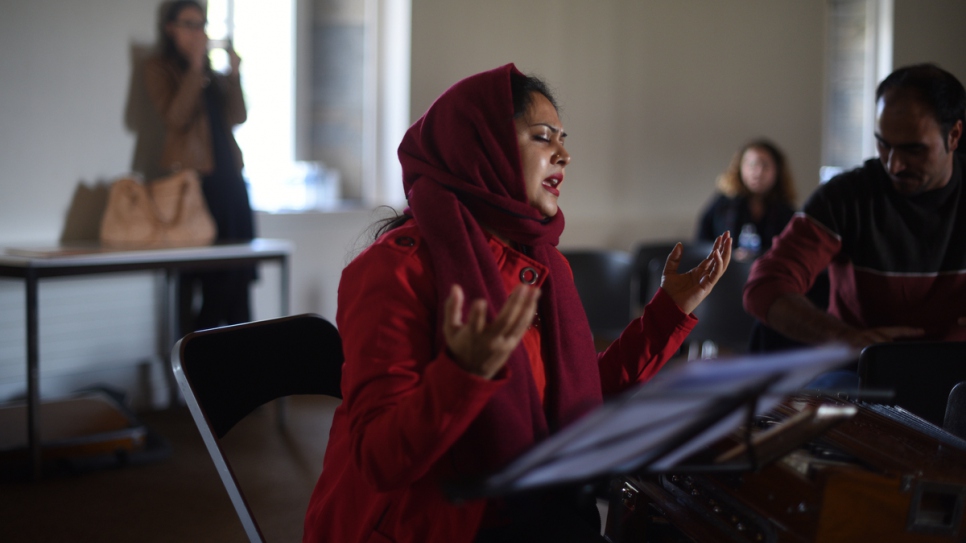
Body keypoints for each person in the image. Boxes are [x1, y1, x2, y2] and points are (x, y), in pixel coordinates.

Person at [302, 64, 732, 543]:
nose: (564, 155)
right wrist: (462, 375)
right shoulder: (396, 269)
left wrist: (667, 313)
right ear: (481, 147)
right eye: (543, 137)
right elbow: (381, 460)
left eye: (563, 139)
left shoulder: (542, 263)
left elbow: (578, 398)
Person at [744, 63, 966, 359]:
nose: (894, 165)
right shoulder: (845, 198)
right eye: (883, 144)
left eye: (913, 149)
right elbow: (764, 285)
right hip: (859, 369)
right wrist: (842, 336)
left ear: (954, 135)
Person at [145, 0, 256, 333]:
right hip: (195, 188)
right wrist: (194, 69)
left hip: (230, 184)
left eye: (202, 24)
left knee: (238, 279)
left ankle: (247, 374)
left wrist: (234, 75)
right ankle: (197, 367)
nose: (198, 32)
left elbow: (238, 117)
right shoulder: (160, 69)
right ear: (171, 28)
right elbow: (175, 118)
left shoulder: (212, 74)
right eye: (190, 24)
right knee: (205, 281)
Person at [697, 139, 797, 258]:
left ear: (777, 171)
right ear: (740, 168)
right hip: (728, 274)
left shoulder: (786, 212)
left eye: (765, 166)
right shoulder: (722, 205)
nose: (758, 172)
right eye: (752, 165)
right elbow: (701, 247)